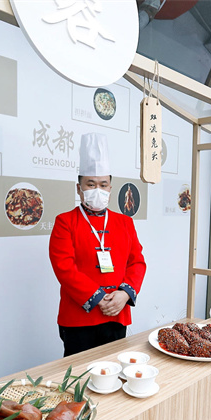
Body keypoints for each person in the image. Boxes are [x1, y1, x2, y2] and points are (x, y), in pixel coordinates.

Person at [49, 133, 147, 357]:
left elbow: (137, 262)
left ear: (111, 188)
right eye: (90, 184)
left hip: (117, 314)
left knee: (113, 373)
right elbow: (64, 267)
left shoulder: (125, 222)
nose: (98, 189)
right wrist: (97, 297)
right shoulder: (65, 221)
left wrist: (124, 295)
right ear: (79, 188)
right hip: (77, 317)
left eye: (103, 185)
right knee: (79, 378)